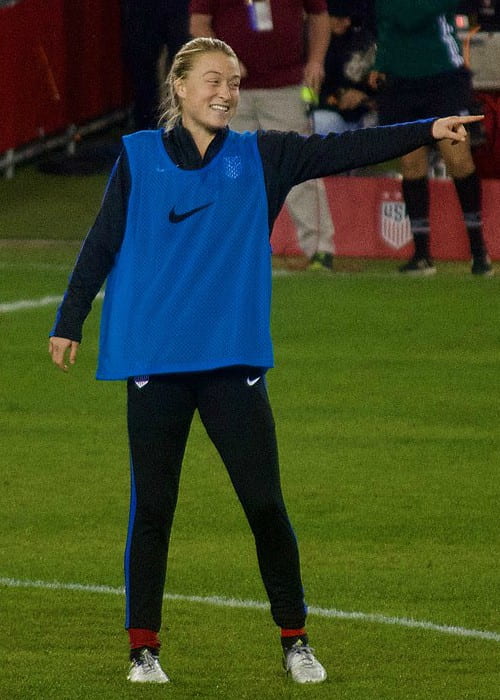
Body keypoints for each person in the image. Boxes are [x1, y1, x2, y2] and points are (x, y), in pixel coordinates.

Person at [48, 37, 483, 685]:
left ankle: (296, 640)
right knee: (154, 510)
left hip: (232, 358)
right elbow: (102, 239)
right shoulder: (138, 157)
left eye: (234, 80)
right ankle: (143, 649)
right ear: (181, 87)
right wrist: (69, 319)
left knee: (264, 505)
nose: (226, 91)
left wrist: (426, 127)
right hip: (155, 358)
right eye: (214, 80)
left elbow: (343, 150)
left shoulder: (264, 155)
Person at [189, 0, 336, 271]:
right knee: (230, 170)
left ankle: (319, 250)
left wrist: (316, 60)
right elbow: (198, 23)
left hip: (286, 85)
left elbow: (319, 16)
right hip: (230, 90)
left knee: (298, 164)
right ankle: (230, 250)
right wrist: (224, 60)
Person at [368, 0, 493, 276]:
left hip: (442, 76)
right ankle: (422, 254)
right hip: (400, 82)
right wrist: (381, 63)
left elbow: (412, 14)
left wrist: (398, 10)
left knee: (457, 158)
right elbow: (385, 24)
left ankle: (478, 249)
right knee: (411, 163)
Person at [312, 0, 377, 137]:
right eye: (340, 17)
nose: (347, 22)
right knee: (325, 121)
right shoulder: (310, 46)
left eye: (349, 17)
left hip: (364, 116)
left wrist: (364, 98)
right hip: (328, 114)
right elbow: (304, 95)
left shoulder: (362, 40)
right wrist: (334, 98)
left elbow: (383, 87)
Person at [122, 0, 190, 129]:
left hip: (177, 6)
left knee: (185, 65)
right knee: (142, 68)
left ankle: (188, 128)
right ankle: (147, 131)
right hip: (143, 8)